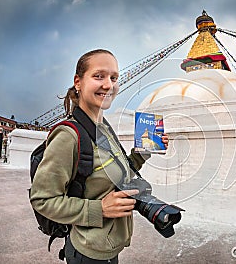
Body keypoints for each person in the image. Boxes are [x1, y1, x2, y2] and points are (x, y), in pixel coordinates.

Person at [30, 49, 168, 264]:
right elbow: (43, 199)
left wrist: (144, 151)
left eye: (114, 78)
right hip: (88, 252)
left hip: (109, 246)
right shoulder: (68, 136)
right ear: (78, 82)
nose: (108, 85)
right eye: (99, 76)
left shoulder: (102, 128)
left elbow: (119, 173)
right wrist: (99, 209)